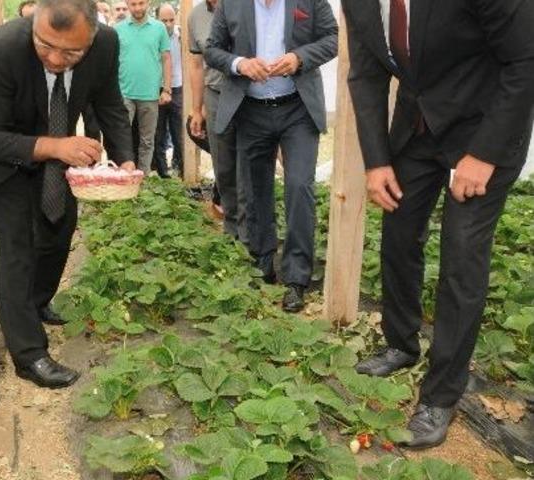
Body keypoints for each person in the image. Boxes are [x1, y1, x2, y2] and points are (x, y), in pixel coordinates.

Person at [343, 0, 534, 449]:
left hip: (486, 125)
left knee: (462, 254)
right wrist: (376, 162)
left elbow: (526, 59)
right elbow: (366, 75)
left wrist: (484, 154)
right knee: (399, 230)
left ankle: (441, 394)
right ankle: (401, 343)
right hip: (418, 123)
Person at [0, 0, 135, 389]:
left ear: (92, 37)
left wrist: (125, 158)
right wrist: (56, 147)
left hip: (53, 137)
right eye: (45, 45)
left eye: (71, 53)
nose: (56, 59)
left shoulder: (107, 44)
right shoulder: (1, 48)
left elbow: (109, 102)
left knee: (60, 223)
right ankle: (29, 355)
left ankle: (38, 300)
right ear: (33, 24)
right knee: (17, 245)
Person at [205, 0, 337, 312]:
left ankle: (296, 277)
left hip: (297, 109)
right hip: (251, 110)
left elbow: (333, 38)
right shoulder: (231, 4)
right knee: (254, 189)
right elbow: (211, 49)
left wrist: (299, 57)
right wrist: (240, 64)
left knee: (299, 186)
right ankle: (262, 261)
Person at [187, 0, 246, 242]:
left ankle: (252, 231)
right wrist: (196, 109)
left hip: (248, 95)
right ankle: (232, 230)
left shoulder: (247, 6)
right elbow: (196, 65)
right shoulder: (196, 16)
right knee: (223, 166)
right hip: (216, 96)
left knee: (249, 164)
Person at [115, 0, 171, 174]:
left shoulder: (159, 28)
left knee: (147, 141)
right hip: (124, 93)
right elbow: (112, 61)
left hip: (150, 94)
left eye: (141, 3)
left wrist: (166, 89)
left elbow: (166, 59)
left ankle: (143, 177)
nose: (137, 8)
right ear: (127, 4)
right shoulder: (118, 29)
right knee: (121, 138)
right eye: (133, 4)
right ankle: (122, 177)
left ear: (148, 2)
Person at [151, 3, 183, 178]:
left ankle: (180, 168)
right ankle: (162, 172)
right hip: (156, 88)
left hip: (179, 88)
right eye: (164, 21)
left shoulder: (182, 36)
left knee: (180, 133)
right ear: (157, 19)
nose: (168, 24)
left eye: (171, 20)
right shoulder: (152, 36)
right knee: (158, 132)